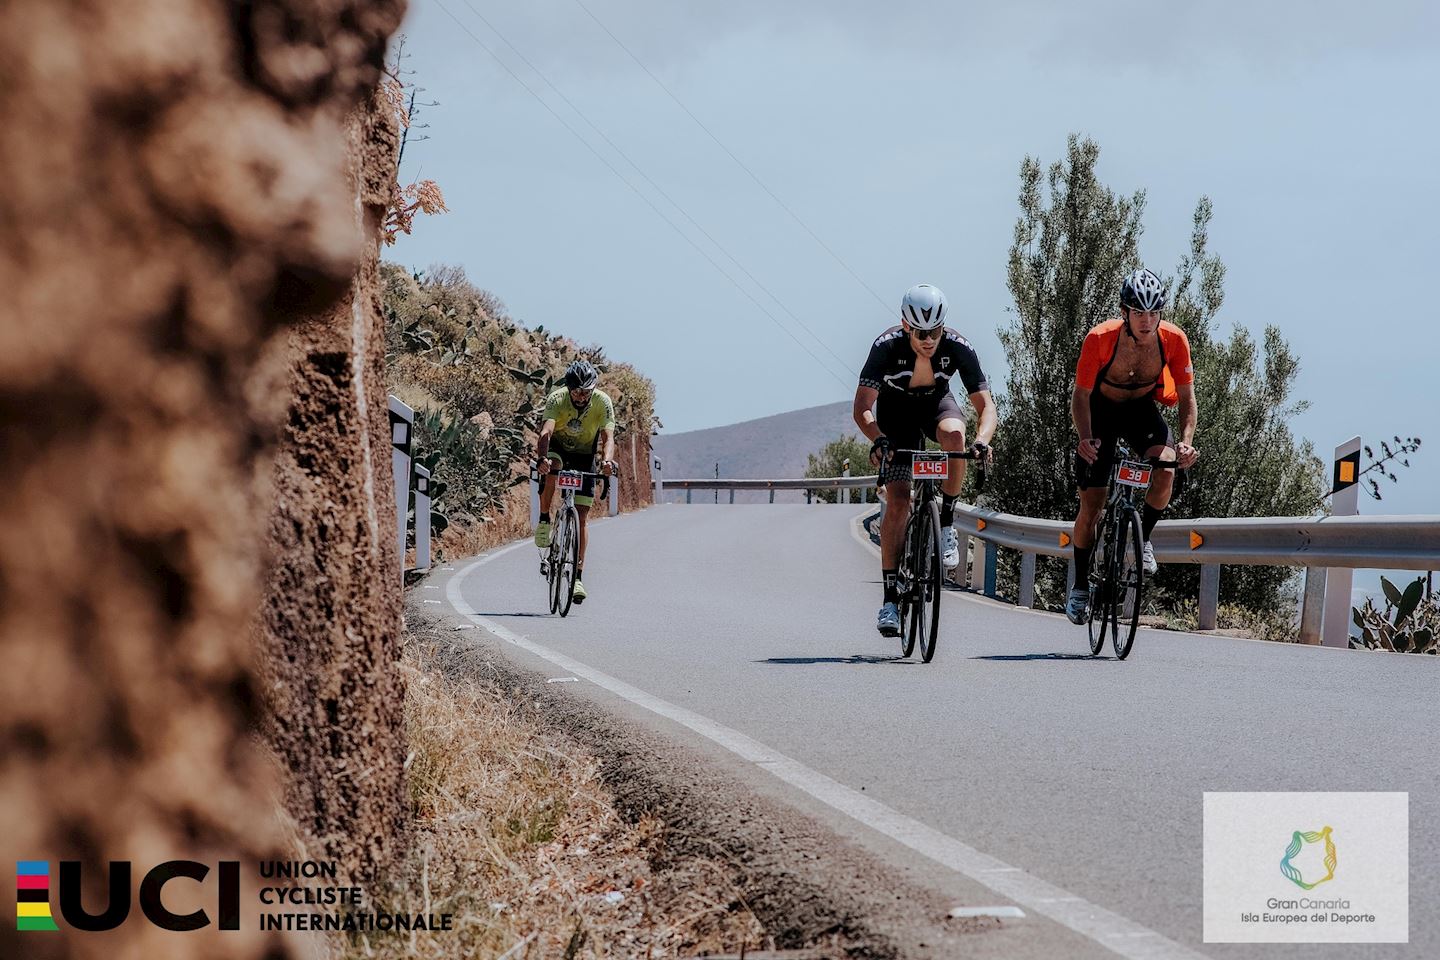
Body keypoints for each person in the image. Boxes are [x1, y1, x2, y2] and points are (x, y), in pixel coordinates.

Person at [853, 283, 996, 636]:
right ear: (905, 326)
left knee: (956, 436)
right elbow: (862, 408)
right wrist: (879, 441)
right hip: (896, 416)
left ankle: (946, 524)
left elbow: (986, 406)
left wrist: (982, 440)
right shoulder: (885, 347)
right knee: (900, 502)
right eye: (921, 332)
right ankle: (889, 600)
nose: (929, 339)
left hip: (936, 406)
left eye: (935, 331)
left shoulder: (958, 347)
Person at [1065, 268, 1200, 624]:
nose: (1146, 321)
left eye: (1153, 313)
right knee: (1091, 507)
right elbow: (1080, 395)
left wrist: (1186, 444)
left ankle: (1143, 539)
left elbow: (1187, 398)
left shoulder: (1173, 340)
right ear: (1124, 312)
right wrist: (1084, 437)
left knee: (1167, 465)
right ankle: (1080, 585)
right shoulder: (1100, 339)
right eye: (1139, 313)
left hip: (1141, 411)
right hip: (1101, 411)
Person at [534, 359, 617, 604]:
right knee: (553, 468)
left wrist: (607, 462)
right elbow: (546, 433)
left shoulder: (603, 402)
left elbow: (608, 438)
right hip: (559, 449)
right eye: (577, 392)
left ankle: (578, 577)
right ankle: (544, 518)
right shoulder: (557, 399)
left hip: (585, 456)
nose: (581, 397)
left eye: (586, 392)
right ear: (569, 389)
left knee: (581, 516)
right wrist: (542, 458)